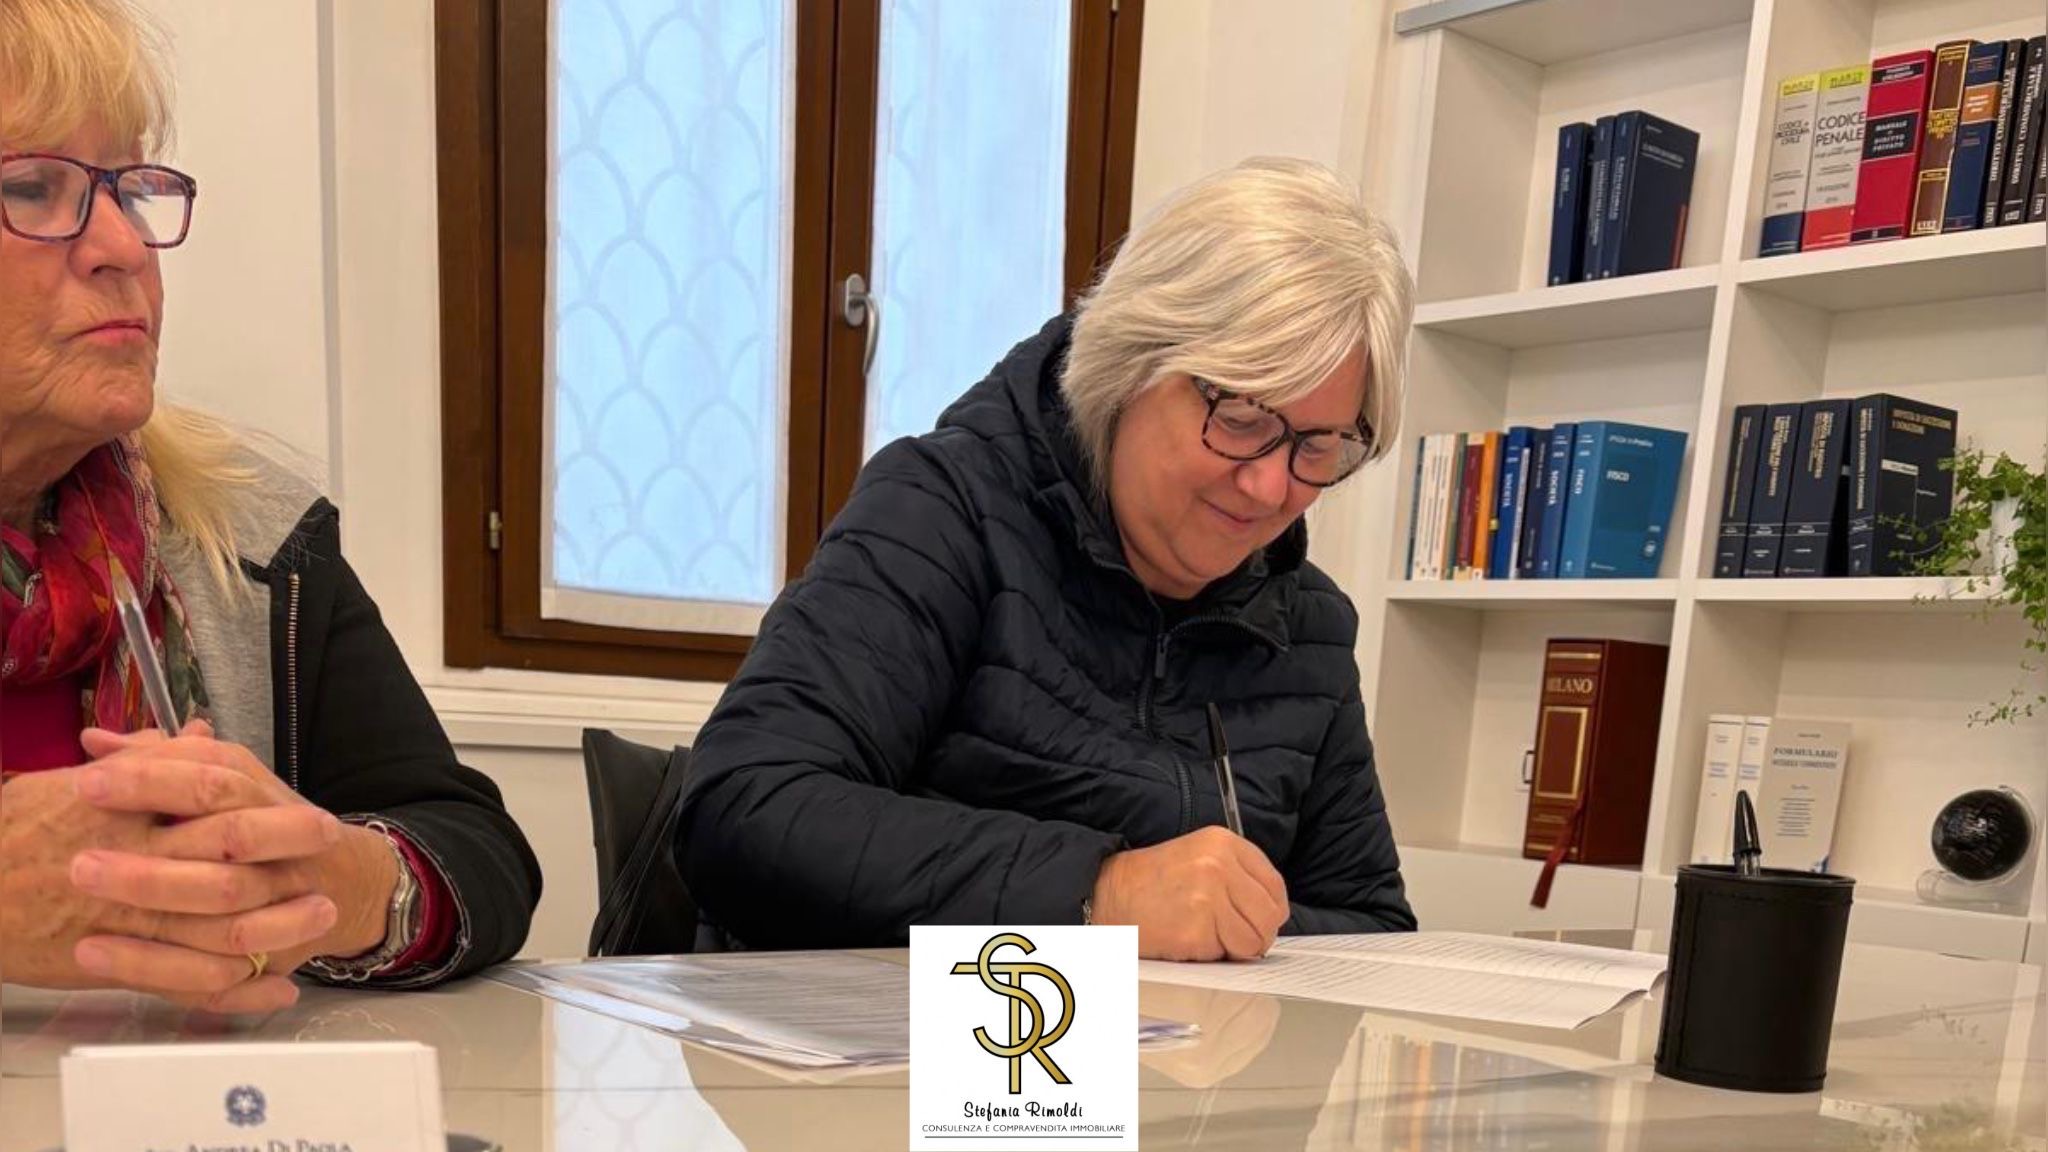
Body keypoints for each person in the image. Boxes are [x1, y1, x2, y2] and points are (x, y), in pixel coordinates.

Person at [681, 156, 1417, 960]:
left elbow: (1371, 928)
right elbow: (743, 810)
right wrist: (1101, 893)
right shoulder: (943, 512)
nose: (1271, 486)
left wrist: (1226, 927)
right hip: (902, 1032)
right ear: (1132, 365)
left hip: (1163, 1042)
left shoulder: (1308, 625)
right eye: (1242, 418)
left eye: (1319, 446)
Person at [0, 0, 539, 1013]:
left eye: (129, 189)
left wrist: (328, 879)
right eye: (32, 188)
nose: (123, 246)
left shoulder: (244, 535)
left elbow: (479, 855)